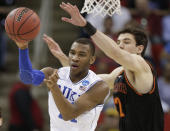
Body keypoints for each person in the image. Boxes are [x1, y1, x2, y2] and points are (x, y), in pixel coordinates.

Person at [46, 2, 164, 131]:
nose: (120, 45)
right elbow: (85, 79)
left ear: (139, 49)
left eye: (126, 42)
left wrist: (86, 25)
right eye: (118, 42)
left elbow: (114, 53)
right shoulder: (118, 74)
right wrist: (62, 57)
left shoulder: (142, 65)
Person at [14, 35, 109, 131]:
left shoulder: (99, 86)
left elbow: (69, 114)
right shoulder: (53, 73)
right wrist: (23, 48)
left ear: (92, 59)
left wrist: (54, 87)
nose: (75, 58)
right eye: (72, 53)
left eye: (82, 54)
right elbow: (27, 78)